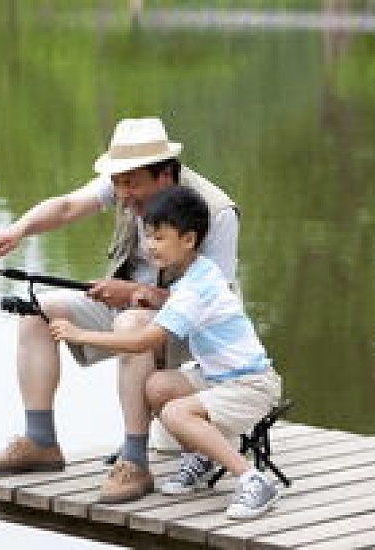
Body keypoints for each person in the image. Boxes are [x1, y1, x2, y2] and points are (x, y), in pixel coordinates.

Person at [0, 117, 241, 496]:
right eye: (116, 182)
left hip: (191, 329)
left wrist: (134, 294)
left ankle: (134, 461)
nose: (121, 192)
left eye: (130, 183)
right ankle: (41, 442)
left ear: (164, 176)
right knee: (36, 310)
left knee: (131, 322)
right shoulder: (126, 183)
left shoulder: (217, 212)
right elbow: (66, 206)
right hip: (128, 308)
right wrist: (18, 230)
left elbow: (217, 304)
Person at [50, 186, 282, 519]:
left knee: (175, 413)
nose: (149, 246)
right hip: (221, 379)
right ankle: (201, 457)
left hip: (251, 386)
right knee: (157, 386)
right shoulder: (194, 274)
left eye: (159, 238)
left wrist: (80, 333)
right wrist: (150, 297)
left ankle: (253, 481)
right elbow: (177, 303)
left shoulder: (195, 287)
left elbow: (143, 341)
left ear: (188, 240)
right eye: (147, 236)